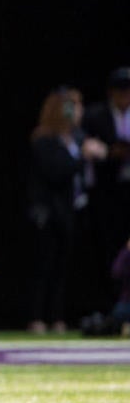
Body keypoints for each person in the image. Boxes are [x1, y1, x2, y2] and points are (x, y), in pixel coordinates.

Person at [26, 87, 107, 334]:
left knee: (63, 268)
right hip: (49, 214)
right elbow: (56, 172)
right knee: (45, 265)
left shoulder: (79, 137)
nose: (79, 112)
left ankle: (58, 317)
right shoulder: (44, 140)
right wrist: (83, 156)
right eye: (74, 107)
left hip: (72, 211)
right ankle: (37, 317)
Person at [81, 67, 130, 300]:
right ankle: (108, 303)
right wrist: (108, 152)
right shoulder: (95, 115)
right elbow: (84, 143)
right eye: (121, 90)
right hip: (106, 191)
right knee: (107, 248)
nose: (125, 96)